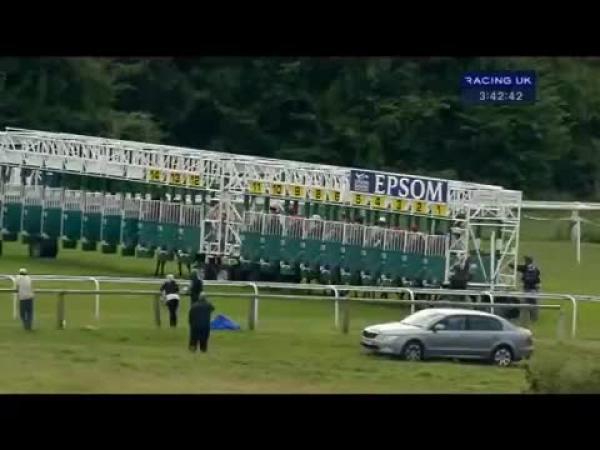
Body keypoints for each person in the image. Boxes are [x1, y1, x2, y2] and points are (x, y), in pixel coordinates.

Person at [512, 256, 541, 322]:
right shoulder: (535, 268)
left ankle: (527, 318)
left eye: (525, 261)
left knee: (527, 302)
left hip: (527, 288)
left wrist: (510, 265)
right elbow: (538, 274)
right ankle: (533, 317)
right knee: (533, 302)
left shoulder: (525, 267)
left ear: (527, 261)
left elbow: (518, 267)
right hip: (534, 289)